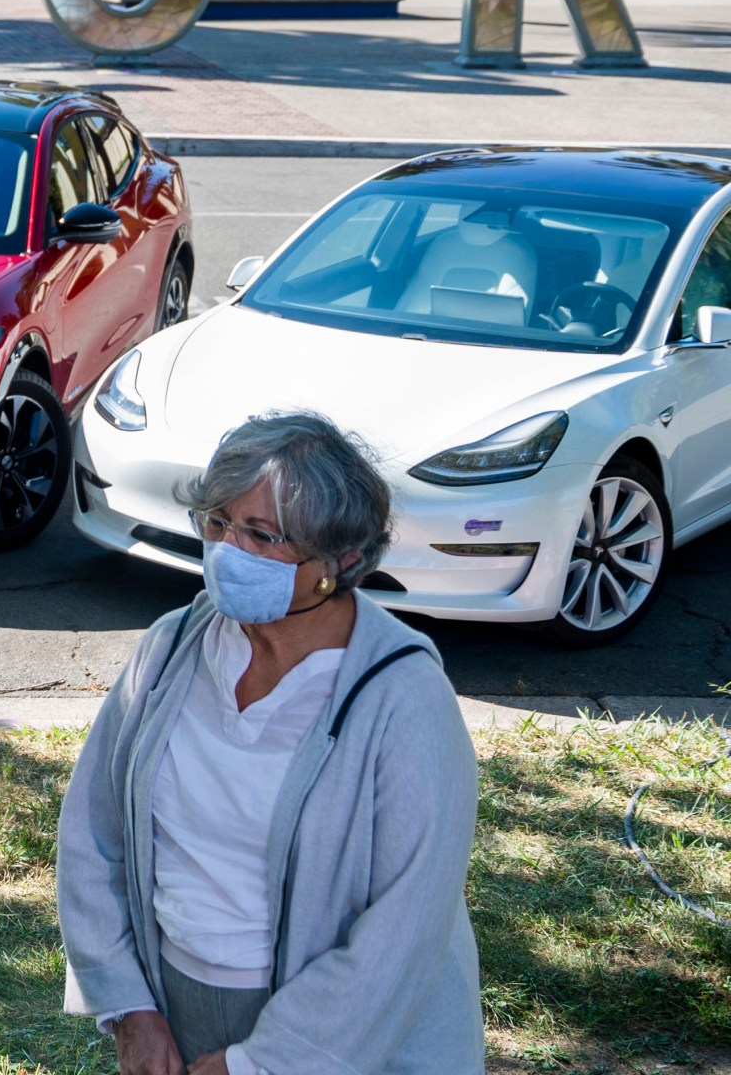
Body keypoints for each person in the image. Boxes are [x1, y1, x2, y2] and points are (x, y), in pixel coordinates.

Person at [58, 412, 483, 1075]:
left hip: (346, 1044)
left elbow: (405, 929)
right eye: (218, 523)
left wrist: (260, 1063)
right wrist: (128, 1007)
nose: (228, 551)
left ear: (340, 561)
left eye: (261, 534)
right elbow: (93, 835)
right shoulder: (171, 649)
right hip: (177, 1011)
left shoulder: (403, 699)